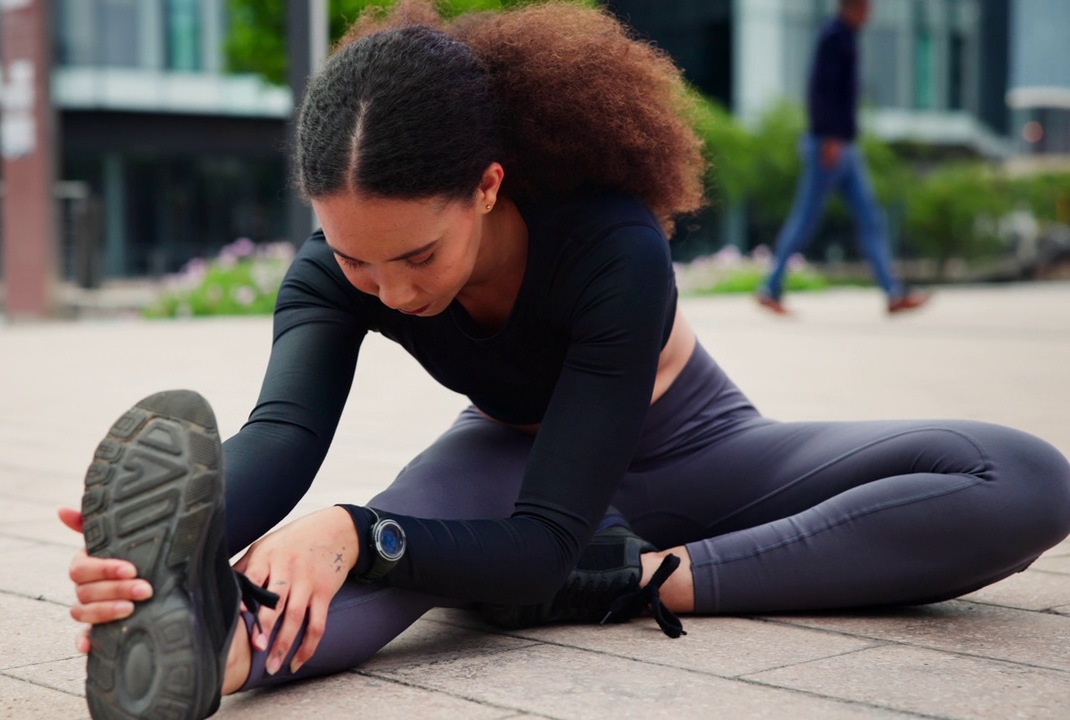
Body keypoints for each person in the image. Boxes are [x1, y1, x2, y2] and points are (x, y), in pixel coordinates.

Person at [58, 3, 1070, 719]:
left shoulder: (610, 248)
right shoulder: (331, 275)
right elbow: (282, 436)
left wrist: (358, 531)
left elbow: (542, 547)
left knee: (1022, 478)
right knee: (357, 563)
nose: (393, 290)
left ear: (489, 187)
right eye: (355, 259)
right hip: (508, 459)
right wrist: (173, 549)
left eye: (418, 255)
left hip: (701, 447)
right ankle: (216, 653)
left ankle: (645, 578)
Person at [755, 0, 931, 316]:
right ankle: (771, 287)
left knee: (869, 218)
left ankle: (893, 293)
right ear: (853, 7)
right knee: (805, 219)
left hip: (846, 148)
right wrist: (830, 137)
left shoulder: (846, 37)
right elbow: (820, 92)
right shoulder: (833, 38)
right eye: (866, 7)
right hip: (830, 146)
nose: (871, 13)